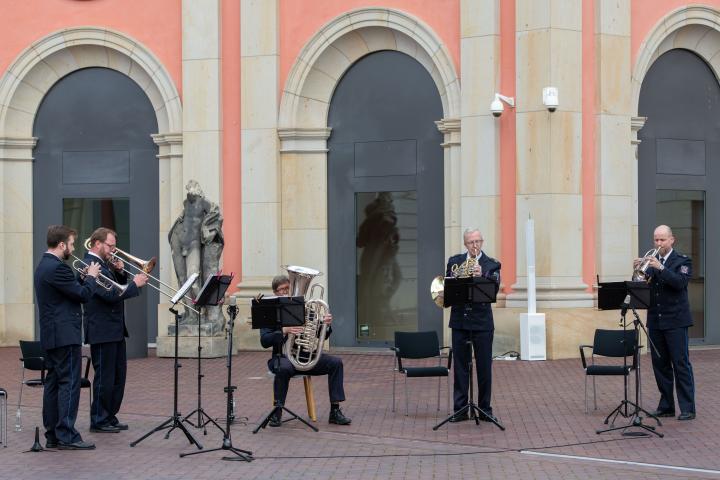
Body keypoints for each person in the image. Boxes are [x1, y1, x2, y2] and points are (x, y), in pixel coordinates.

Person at [34, 225, 101, 450]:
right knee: (69, 383)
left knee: (53, 383)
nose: (72, 248)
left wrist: (81, 280)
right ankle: (67, 434)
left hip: (52, 335)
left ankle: (53, 433)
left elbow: (68, 293)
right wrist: (91, 278)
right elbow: (82, 296)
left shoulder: (44, 266)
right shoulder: (57, 268)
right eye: (71, 244)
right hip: (65, 336)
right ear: (61, 244)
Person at [260, 275, 351, 426]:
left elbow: (322, 334)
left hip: (304, 356)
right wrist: (284, 331)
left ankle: (335, 411)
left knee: (336, 363)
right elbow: (264, 341)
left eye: (286, 288)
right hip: (281, 357)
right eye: (280, 290)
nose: (284, 292)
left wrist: (325, 325)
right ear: (275, 292)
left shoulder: (305, 308)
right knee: (284, 368)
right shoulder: (268, 312)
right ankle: (277, 411)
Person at [82, 227, 148, 433]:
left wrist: (120, 273)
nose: (113, 250)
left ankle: (109, 415)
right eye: (110, 246)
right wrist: (134, 285)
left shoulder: (104, 263)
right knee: (105, 377)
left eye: (113, 246)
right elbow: (109, 295)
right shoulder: (89, 264)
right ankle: (99, 419)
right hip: (102, 330)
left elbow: (116, 289)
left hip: (115, 329)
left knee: (118, 376)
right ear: (97, 243)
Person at [634, 225, 696, 420]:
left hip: (676, 321)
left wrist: (660, 267)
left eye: (662, 240)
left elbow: (679, 283)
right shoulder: (651, 262)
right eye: (656, 240)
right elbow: (640, 285)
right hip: (656, 320)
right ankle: (666, 405)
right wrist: (638, 270)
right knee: (660, 365)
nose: (658, 244)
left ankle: (688, 408)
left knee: (681, 364)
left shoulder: (682, 260)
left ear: (672, 240)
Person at [446, 228, 501, 422]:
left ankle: (485, 409)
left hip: (482, 323)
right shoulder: (454, 262)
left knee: (484, 367)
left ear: (482, 242)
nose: (475, 245)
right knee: (460, 366)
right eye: (471, 242)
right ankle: (460, 410)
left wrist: (482, 274)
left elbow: (494, 288)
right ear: (465, 244)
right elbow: (448, 289)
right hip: (460, 321)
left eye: (478, 241)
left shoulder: (491, 264)